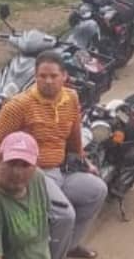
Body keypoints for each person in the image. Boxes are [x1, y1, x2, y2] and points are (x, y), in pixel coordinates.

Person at [0, 51, 107, 259]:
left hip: (61, 169)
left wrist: (84, 161)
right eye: (42, 76)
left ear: (64, 76)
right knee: (64, 215)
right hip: (33, 173)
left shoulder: (71, 97)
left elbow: (75, 134)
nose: (48, 81)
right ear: (35, 75)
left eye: (53, 76)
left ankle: (69, 245)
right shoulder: (19, 105)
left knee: (97, 190)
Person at [0, 132, 50, 259]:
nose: (17, 172)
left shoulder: (37, 178)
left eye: (25, 165)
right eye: (11, 163)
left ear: (36, 165)